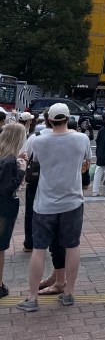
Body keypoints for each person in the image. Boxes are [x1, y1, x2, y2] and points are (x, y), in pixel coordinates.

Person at [16, 103, 91, 312]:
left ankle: (32, 298)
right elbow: (86, 163)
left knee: (39, 250)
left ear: (48, 119)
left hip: (44, 203)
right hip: (73, 202)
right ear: (68, 118)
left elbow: (24, 159)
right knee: (72, 246)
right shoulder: (82, 139)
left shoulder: (37, 141)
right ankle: (69, 293)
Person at [0, 122, 28, 299]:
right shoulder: (9, 160)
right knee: (0, 246)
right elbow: (7, 188)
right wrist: (21, 171)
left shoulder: (5, 157)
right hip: (4, 208)